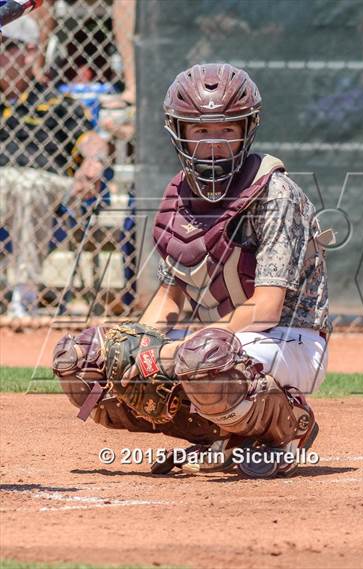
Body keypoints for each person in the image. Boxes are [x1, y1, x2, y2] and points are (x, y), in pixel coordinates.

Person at [53, 63, 331, 478]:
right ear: (179, 133)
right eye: (201, 131)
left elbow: (266, 309)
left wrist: (169, 354)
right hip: (227, 343)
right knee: (86, 361)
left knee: (200, 358)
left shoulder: (274, 193)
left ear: (246, 129)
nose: (214, 144)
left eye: (226, 130)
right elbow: (169, 299)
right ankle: (218, 433)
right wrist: (135, 350)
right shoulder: (179, 195)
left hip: (292, 339)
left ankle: (287, 423)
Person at [0, 16, 110, 317]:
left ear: (31, 52)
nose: (0, 53)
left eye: (8, 46)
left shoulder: (56, 102)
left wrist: (94, 160)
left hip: (49, 186)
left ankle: (24, 296)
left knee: (27, 185)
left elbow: (91, 140)